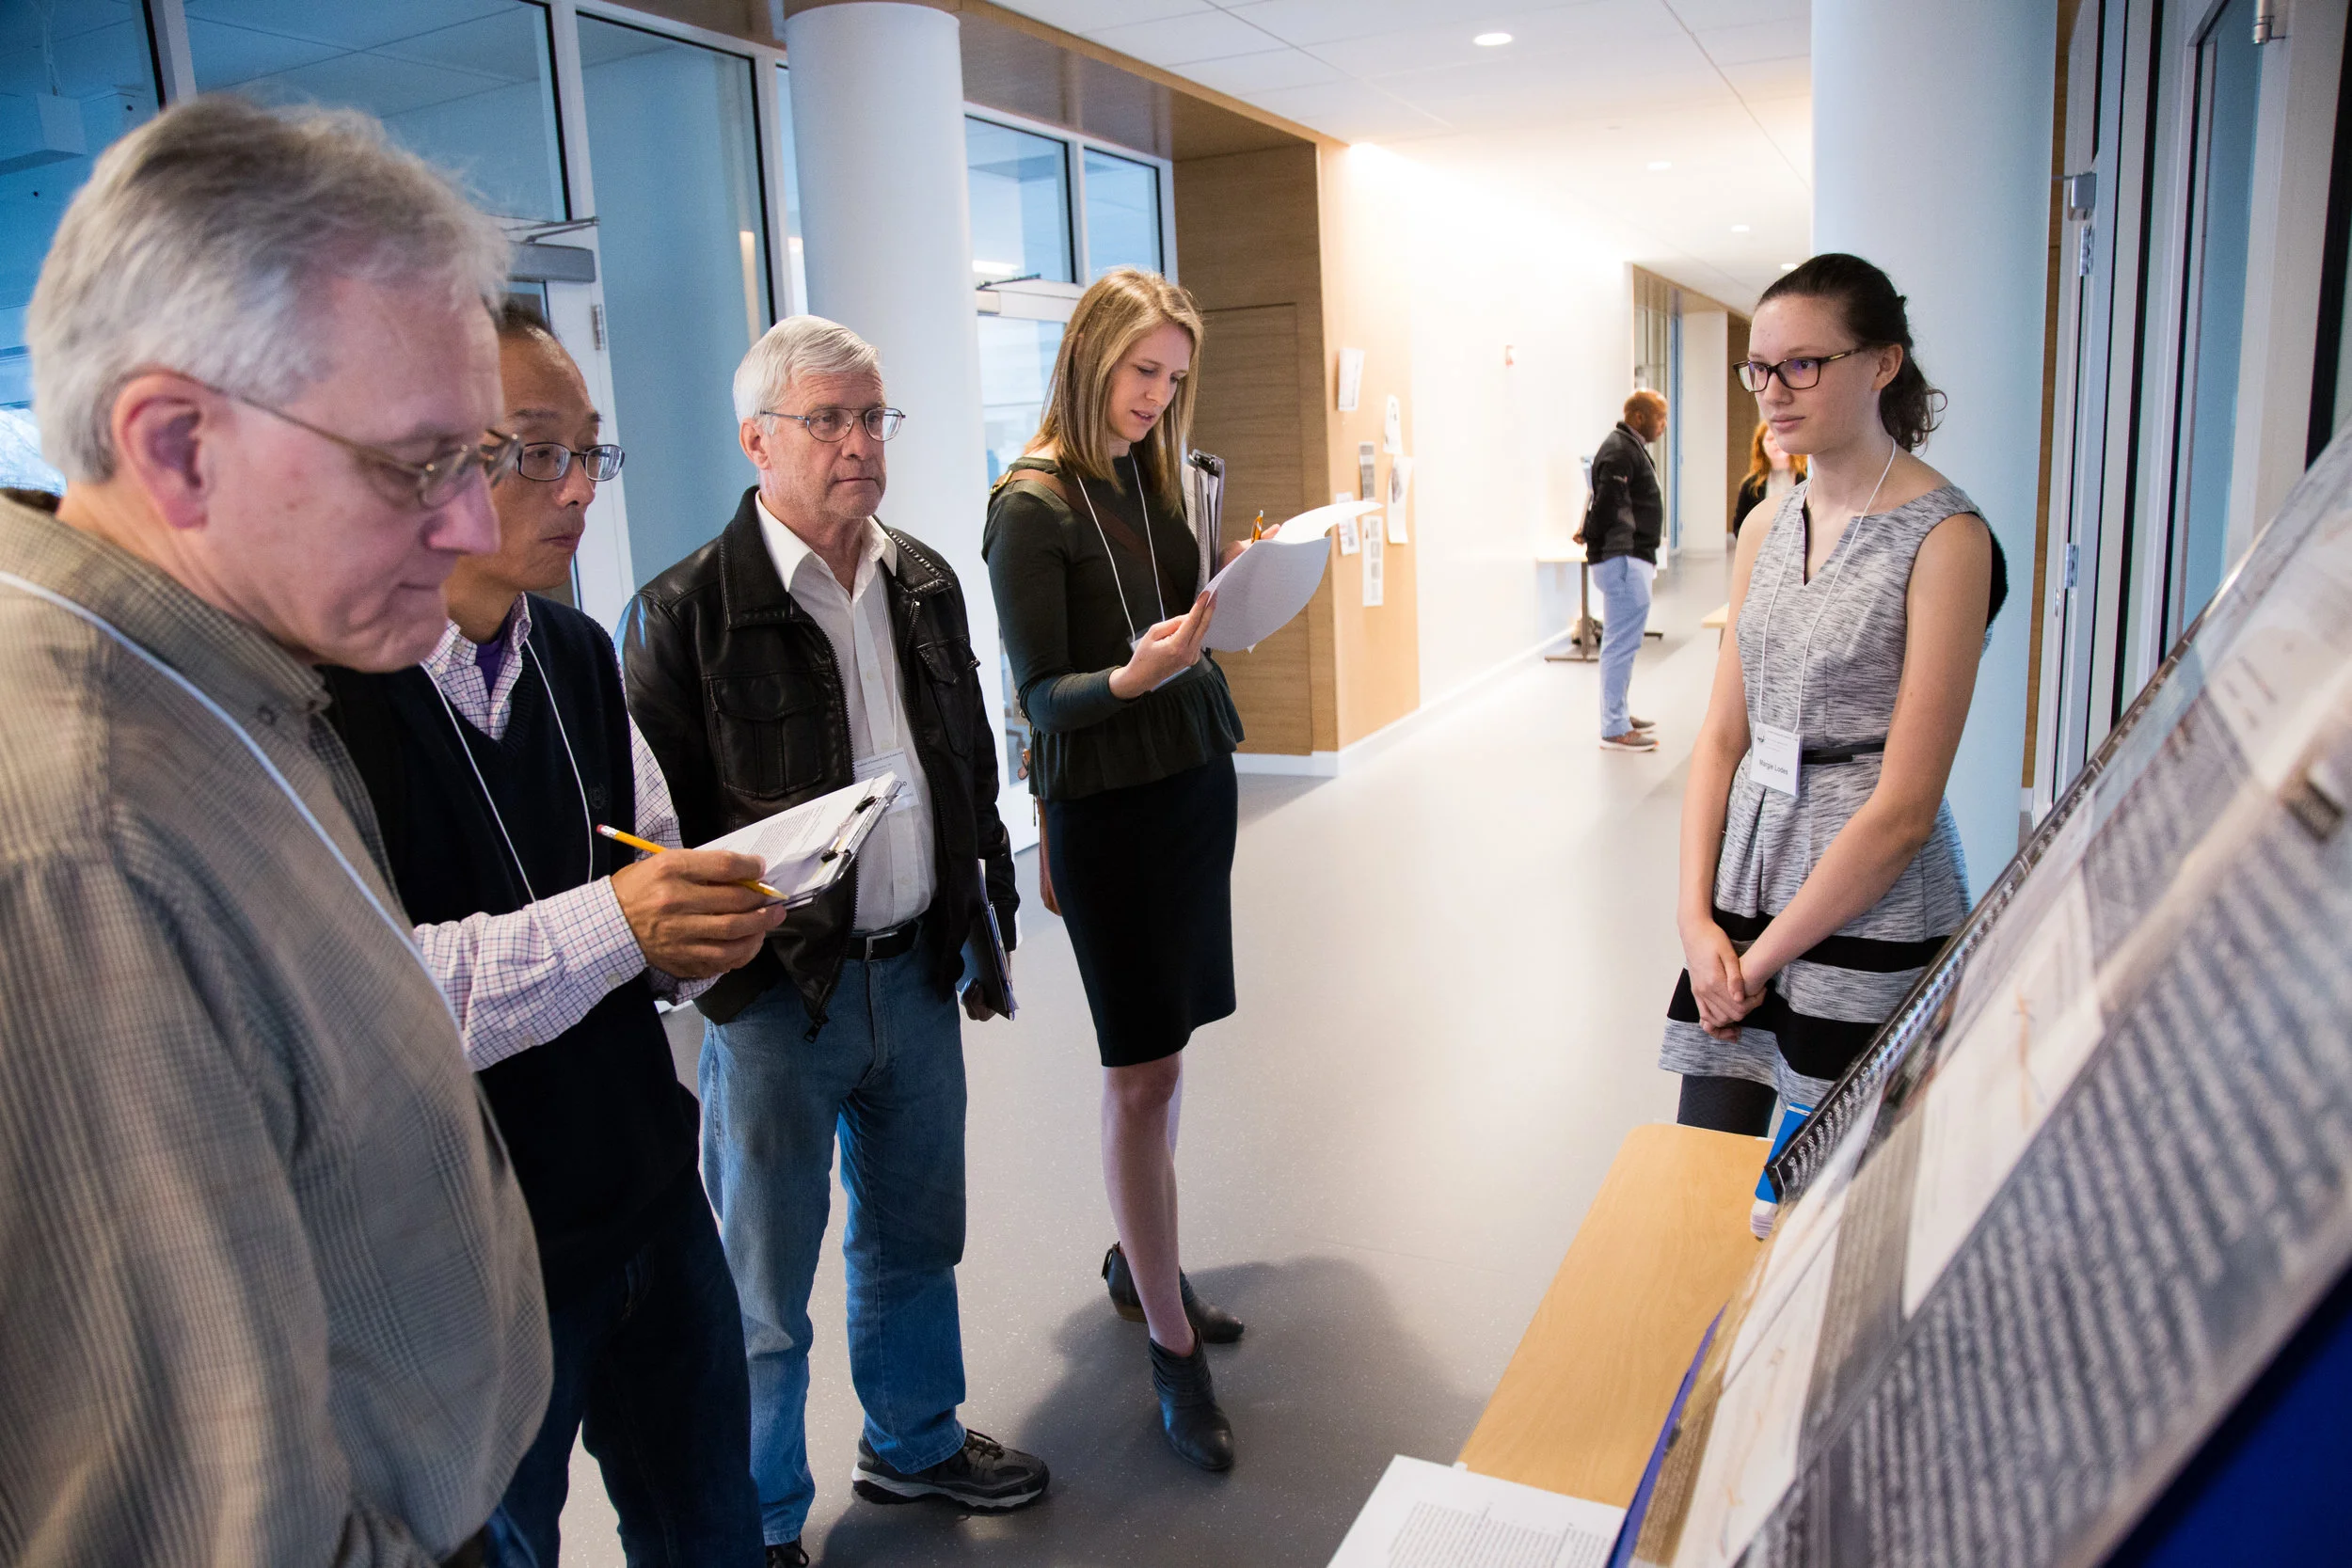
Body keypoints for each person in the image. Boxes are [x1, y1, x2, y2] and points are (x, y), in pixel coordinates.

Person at [0, 98, 548, 1566]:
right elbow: (205, 1519)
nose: (472, 526)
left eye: (479, 456)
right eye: (416, 463)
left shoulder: (231, 683)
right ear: (177, 445)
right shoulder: (83, 838)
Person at [322, 302, 776, 1567]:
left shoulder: (577, 650)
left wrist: (692, 939)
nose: (575, 488)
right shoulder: (332, 699)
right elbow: (390, 993)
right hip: (474, 1267)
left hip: (648, 1199)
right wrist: (628, 921)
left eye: (591, 452)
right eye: (535, 449)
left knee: (711, 1529)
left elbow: (647, 855)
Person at [623, 315, 1040, 1567]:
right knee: (760, 1287)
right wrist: (719, 975)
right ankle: (755, 1517)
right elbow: (652, 839)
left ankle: (910, 1440)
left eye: (873, 418)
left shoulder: (921, 576)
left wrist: (985, 909)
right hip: (774, 1002)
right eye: (829, 420)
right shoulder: (684, 612)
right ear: (758, 440)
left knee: (917, 1235)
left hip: (914, 968)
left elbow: (963, 754)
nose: (860, 443)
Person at [982, 266, 1252, 1472]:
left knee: (1166, 1053)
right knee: (1138, 1075)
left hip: (1191, 784)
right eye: (1142, 372)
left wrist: (1234, 601)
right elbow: (1040, 697)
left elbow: (1176, 622)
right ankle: (1168, 1340)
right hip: (1111, 809)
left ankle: (1139, 1259)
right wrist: (1133, 679)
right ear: (1090, 355)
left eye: (1173, 379)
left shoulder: (1152, 479)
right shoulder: (1028, 506)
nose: (1155, 397)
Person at [1661, 252, 2006, 1137]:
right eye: (1760, 369)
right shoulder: (1766, 523)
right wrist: (1697, 921)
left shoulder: (1946, 537)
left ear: (1882, 363)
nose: (1774, 390)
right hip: (1750, 871)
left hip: (1869, 897)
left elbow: (1906, 807)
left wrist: (1760, 959)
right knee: (1708, 1160)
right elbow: (1722, 736)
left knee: (1842, 1189)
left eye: (1803, 364)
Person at [1581, 389, 1669, 752]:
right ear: (1638, 417)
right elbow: (1605, 505)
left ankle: (1618, 713)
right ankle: (1614, 727)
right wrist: (1588, 534)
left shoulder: (1626, 447)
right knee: (1620, 646)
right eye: (1659, 418)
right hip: (1623, 559)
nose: (1663, 426)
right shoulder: (1620, 450)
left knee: (1624, 644)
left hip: (1629, 558)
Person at [1733, 419, 1805, 540]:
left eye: (1779, 437)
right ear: (1761, 444)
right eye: (1770, 439)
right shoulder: (1751, 484)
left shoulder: (1807, 478)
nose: (1776, 443)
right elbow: (1739, 527)